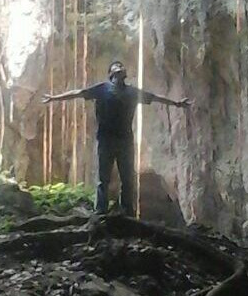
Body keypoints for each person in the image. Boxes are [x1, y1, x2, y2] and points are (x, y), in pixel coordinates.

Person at [43, 60, 191, 215]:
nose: (120, 68)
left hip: (125, 141)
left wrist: (177, 103)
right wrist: (54, 98)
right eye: (116, 66)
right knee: (103, 179)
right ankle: (100, 212)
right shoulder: (102, 89)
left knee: (127, 179)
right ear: (111, 73)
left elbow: (154, 98)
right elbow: (78, 93)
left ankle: (127, 212)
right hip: (105, 140)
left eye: (122, 66)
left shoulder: (132, 92)